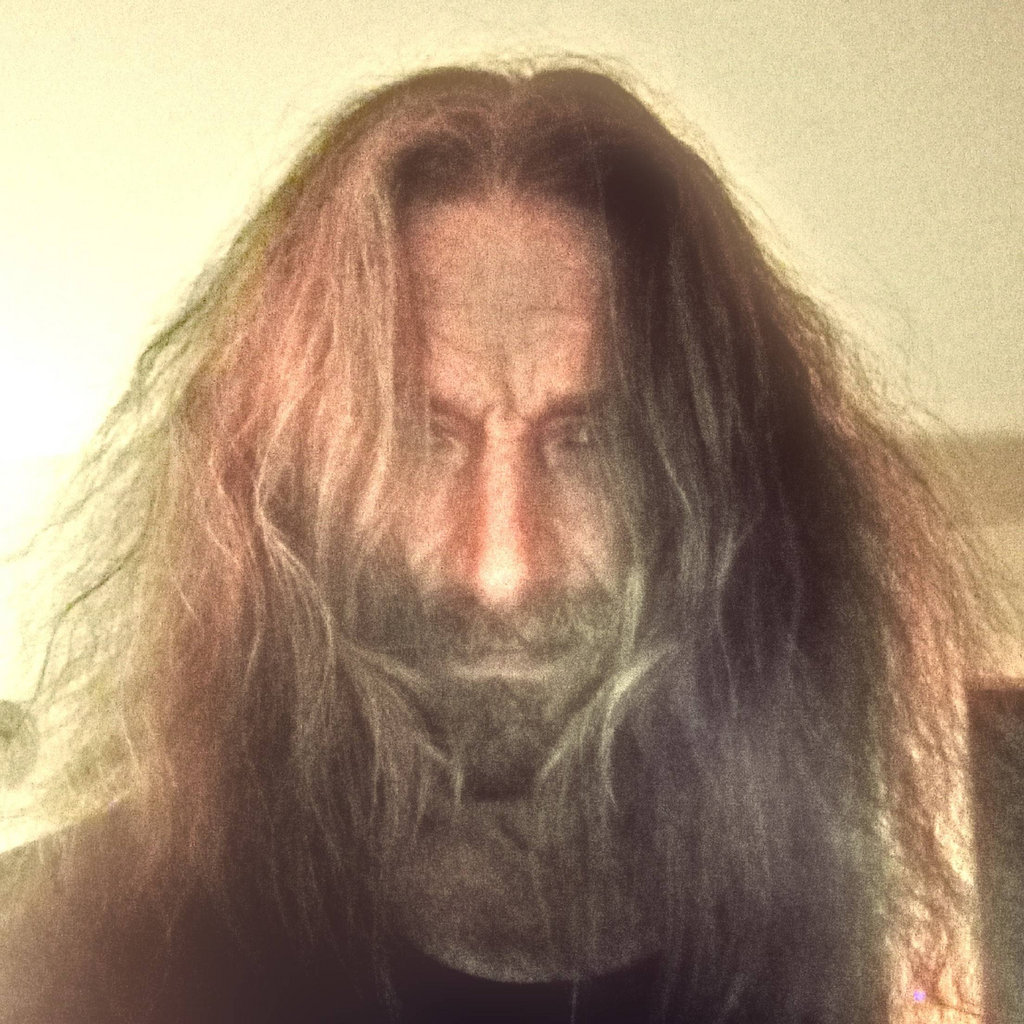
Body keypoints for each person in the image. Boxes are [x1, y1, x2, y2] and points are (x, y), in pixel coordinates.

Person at [0, 62, 1016, 1023]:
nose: (504, 571)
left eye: (590, 441)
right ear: (279, 489)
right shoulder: (52, 959)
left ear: (723, 496)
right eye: (417, 439)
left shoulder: (796, 940)